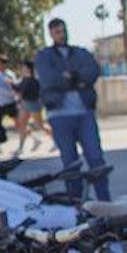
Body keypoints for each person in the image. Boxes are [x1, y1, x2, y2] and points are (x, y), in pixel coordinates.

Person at [36, 18, 111, 201]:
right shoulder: (44, 56)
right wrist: (76, 79)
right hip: (59, 115)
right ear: (51, 34)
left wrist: (72, 76)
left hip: (84, 112)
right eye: (57, 32)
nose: (61, 35)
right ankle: (75, 203)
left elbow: (92, 71)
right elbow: (48, 79)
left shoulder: (80, 52)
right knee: (70, 162)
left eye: (63, 30)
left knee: (96, 157)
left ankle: (104, 200)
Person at [12, 58, 48, 154]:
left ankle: (56, 141)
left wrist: (18, 90)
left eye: (23, 67)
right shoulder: (24, 79)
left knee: (40, 125)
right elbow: (19, 88)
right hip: (24, 104)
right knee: (22, 124)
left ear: (29, 68)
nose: (22, 69)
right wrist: (12, 85)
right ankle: (21, 147)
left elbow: (30, 92)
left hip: (33, 104)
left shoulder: (34, 79)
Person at [0, 55, 19, 138]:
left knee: (18, 122)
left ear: (3, 64)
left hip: (10, 102)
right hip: (1, 103)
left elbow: (15, 88)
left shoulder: (10, 74)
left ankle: (34, 138)